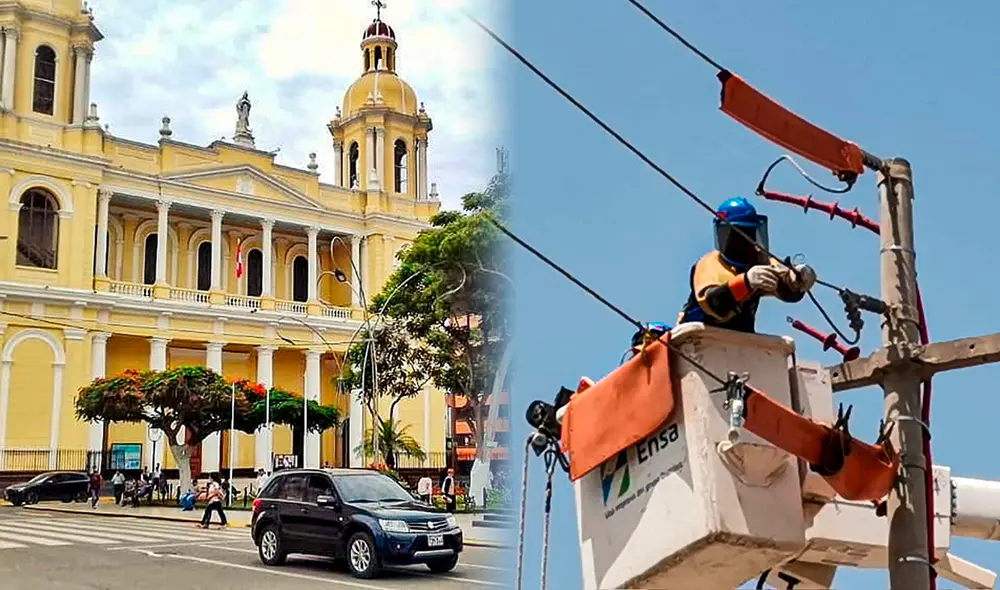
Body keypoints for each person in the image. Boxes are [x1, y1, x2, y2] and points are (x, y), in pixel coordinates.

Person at [678, 197, 816, 333]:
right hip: (697, 337)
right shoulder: (710, 264)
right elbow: (716, 304)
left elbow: (786, 290)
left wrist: (796, 281)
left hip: (739, 340)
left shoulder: (759, 262)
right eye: (737, 236)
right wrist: (746, 282)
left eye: (749, 234)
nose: (744, 243)